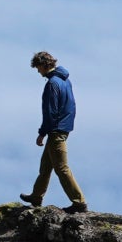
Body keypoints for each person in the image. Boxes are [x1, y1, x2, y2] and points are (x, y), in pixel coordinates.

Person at [20, 51, 89, 213]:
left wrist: (42, 132)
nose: (38, 72)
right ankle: (36, 196)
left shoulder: (52, 84)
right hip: (64, 126)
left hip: (56, 129)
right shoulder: (65, 81)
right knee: (46, 165)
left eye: (38, 68)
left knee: (61, 167)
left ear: (44, 65)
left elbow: (50, 112)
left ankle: (79, 202)